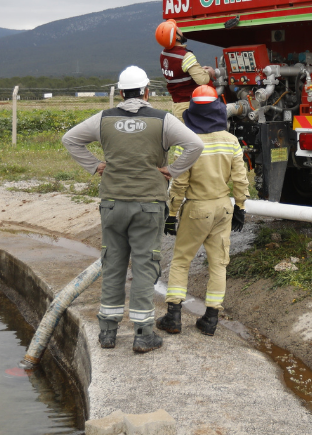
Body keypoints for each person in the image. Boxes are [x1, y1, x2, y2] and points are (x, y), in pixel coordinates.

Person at [61, 66, 204, 354]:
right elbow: (195, 144)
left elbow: (70, 139)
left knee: (112, 264)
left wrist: (94, 165)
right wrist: (173, 170)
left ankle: (108, 332)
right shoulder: (161, 120)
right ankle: (142, 333)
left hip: (112, 203)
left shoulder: (104, 118)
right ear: (146, 91)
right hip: (148, 205)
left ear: (121, 91)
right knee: (143, 266)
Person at [157, 85, 247, 337]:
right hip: (223, 207)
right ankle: (210, 319)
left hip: (196, 208)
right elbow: (240, 179)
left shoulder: (187, 143)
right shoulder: (231, 141)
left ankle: (173, 316)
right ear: (218, 110)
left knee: (181, 261)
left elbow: (180, 183)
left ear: (193, 112)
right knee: (219, 264)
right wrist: (240, 207)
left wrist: (172, 214)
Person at [155, 20, 211, 119]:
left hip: (177, 106)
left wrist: (196, 70)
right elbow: (203, 80)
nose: (181, 31)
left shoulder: (163, 55)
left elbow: (179, 72)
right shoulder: (185, 56)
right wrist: (209, 72)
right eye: (178, 30)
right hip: (189, 107)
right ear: (176, 37)